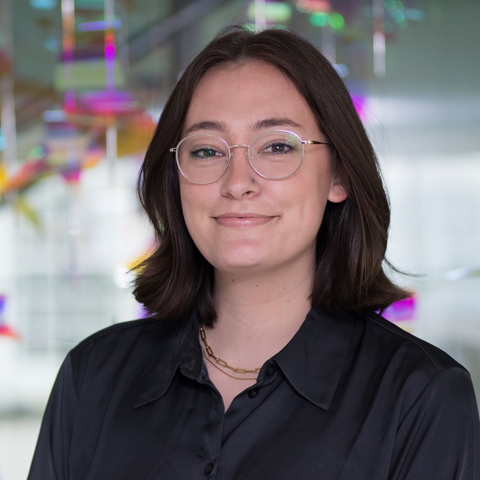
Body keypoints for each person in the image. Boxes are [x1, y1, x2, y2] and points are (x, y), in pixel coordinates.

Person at [28, 26, 479, 479]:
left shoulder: (421, 397)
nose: (237, 181)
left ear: (338, 176)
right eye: (207, 150)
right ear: (176, 178)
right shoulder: (92, 376)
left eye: (278, 146)